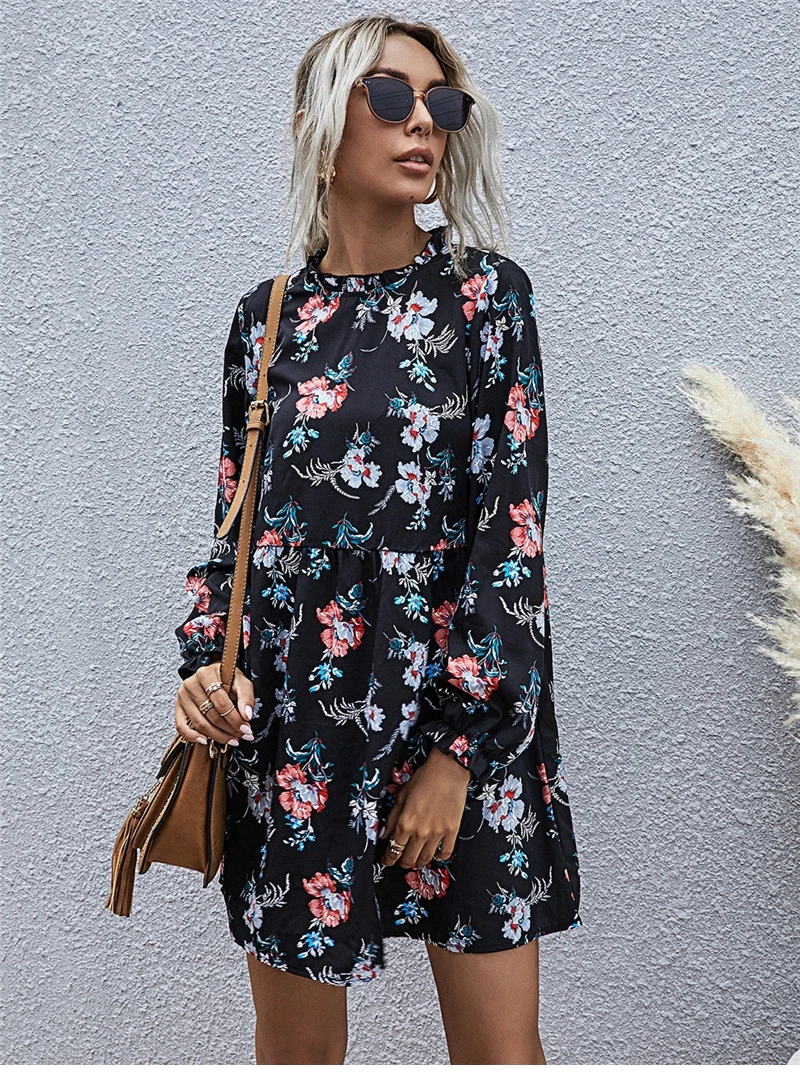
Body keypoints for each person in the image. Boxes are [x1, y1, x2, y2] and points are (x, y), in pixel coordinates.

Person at [173, 14, 582, 1066]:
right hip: (300, 733)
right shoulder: (267, 319)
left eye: (442, 104)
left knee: (501, 1055)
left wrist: (456, 752)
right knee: (296, 1055)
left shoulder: (486, 300)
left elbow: (511, 537)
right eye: (392, 97)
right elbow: (236, 529)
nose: (423, 125)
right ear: (320, 121)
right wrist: (205, 666)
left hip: (462, 741)